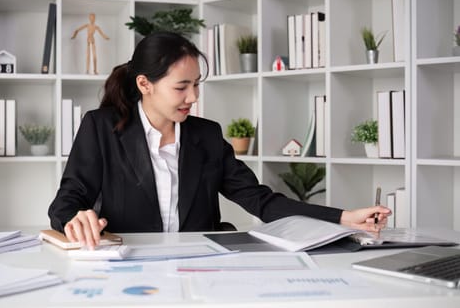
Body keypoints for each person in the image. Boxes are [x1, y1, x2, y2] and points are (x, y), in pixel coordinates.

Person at [48, 31, 391, 249]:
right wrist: (75, 218)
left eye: (197, 84)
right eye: (181, 87)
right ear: (144, 84)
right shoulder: (101, 127)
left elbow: (261, 201)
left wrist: (344, 217)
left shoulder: (206, 136)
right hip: (129, 264)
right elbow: (67, 199)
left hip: (201, 265)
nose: (193, 97)